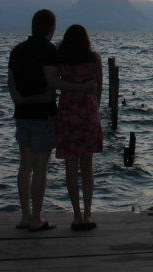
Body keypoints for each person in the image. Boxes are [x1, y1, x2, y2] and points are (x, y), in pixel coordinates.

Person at [8, 10, 94, 232]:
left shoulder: (17, 51)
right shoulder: (49, 51)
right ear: (51, 28)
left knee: (24, 166)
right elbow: (51, 83)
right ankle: (37, 218)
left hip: (22, 114)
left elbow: (12, 83)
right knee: (40, 167)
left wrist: (19, 100)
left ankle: (25, 216)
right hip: (43, 114)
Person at [49, 24, 104, 231]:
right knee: (88, 167)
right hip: (88, 112)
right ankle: (89, 213)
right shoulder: (94, 59)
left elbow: (55, 84)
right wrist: (94, 107)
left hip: (67, 114)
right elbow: (99, 87)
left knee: (70, 168)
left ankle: (76, 214)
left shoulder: (61, 60)